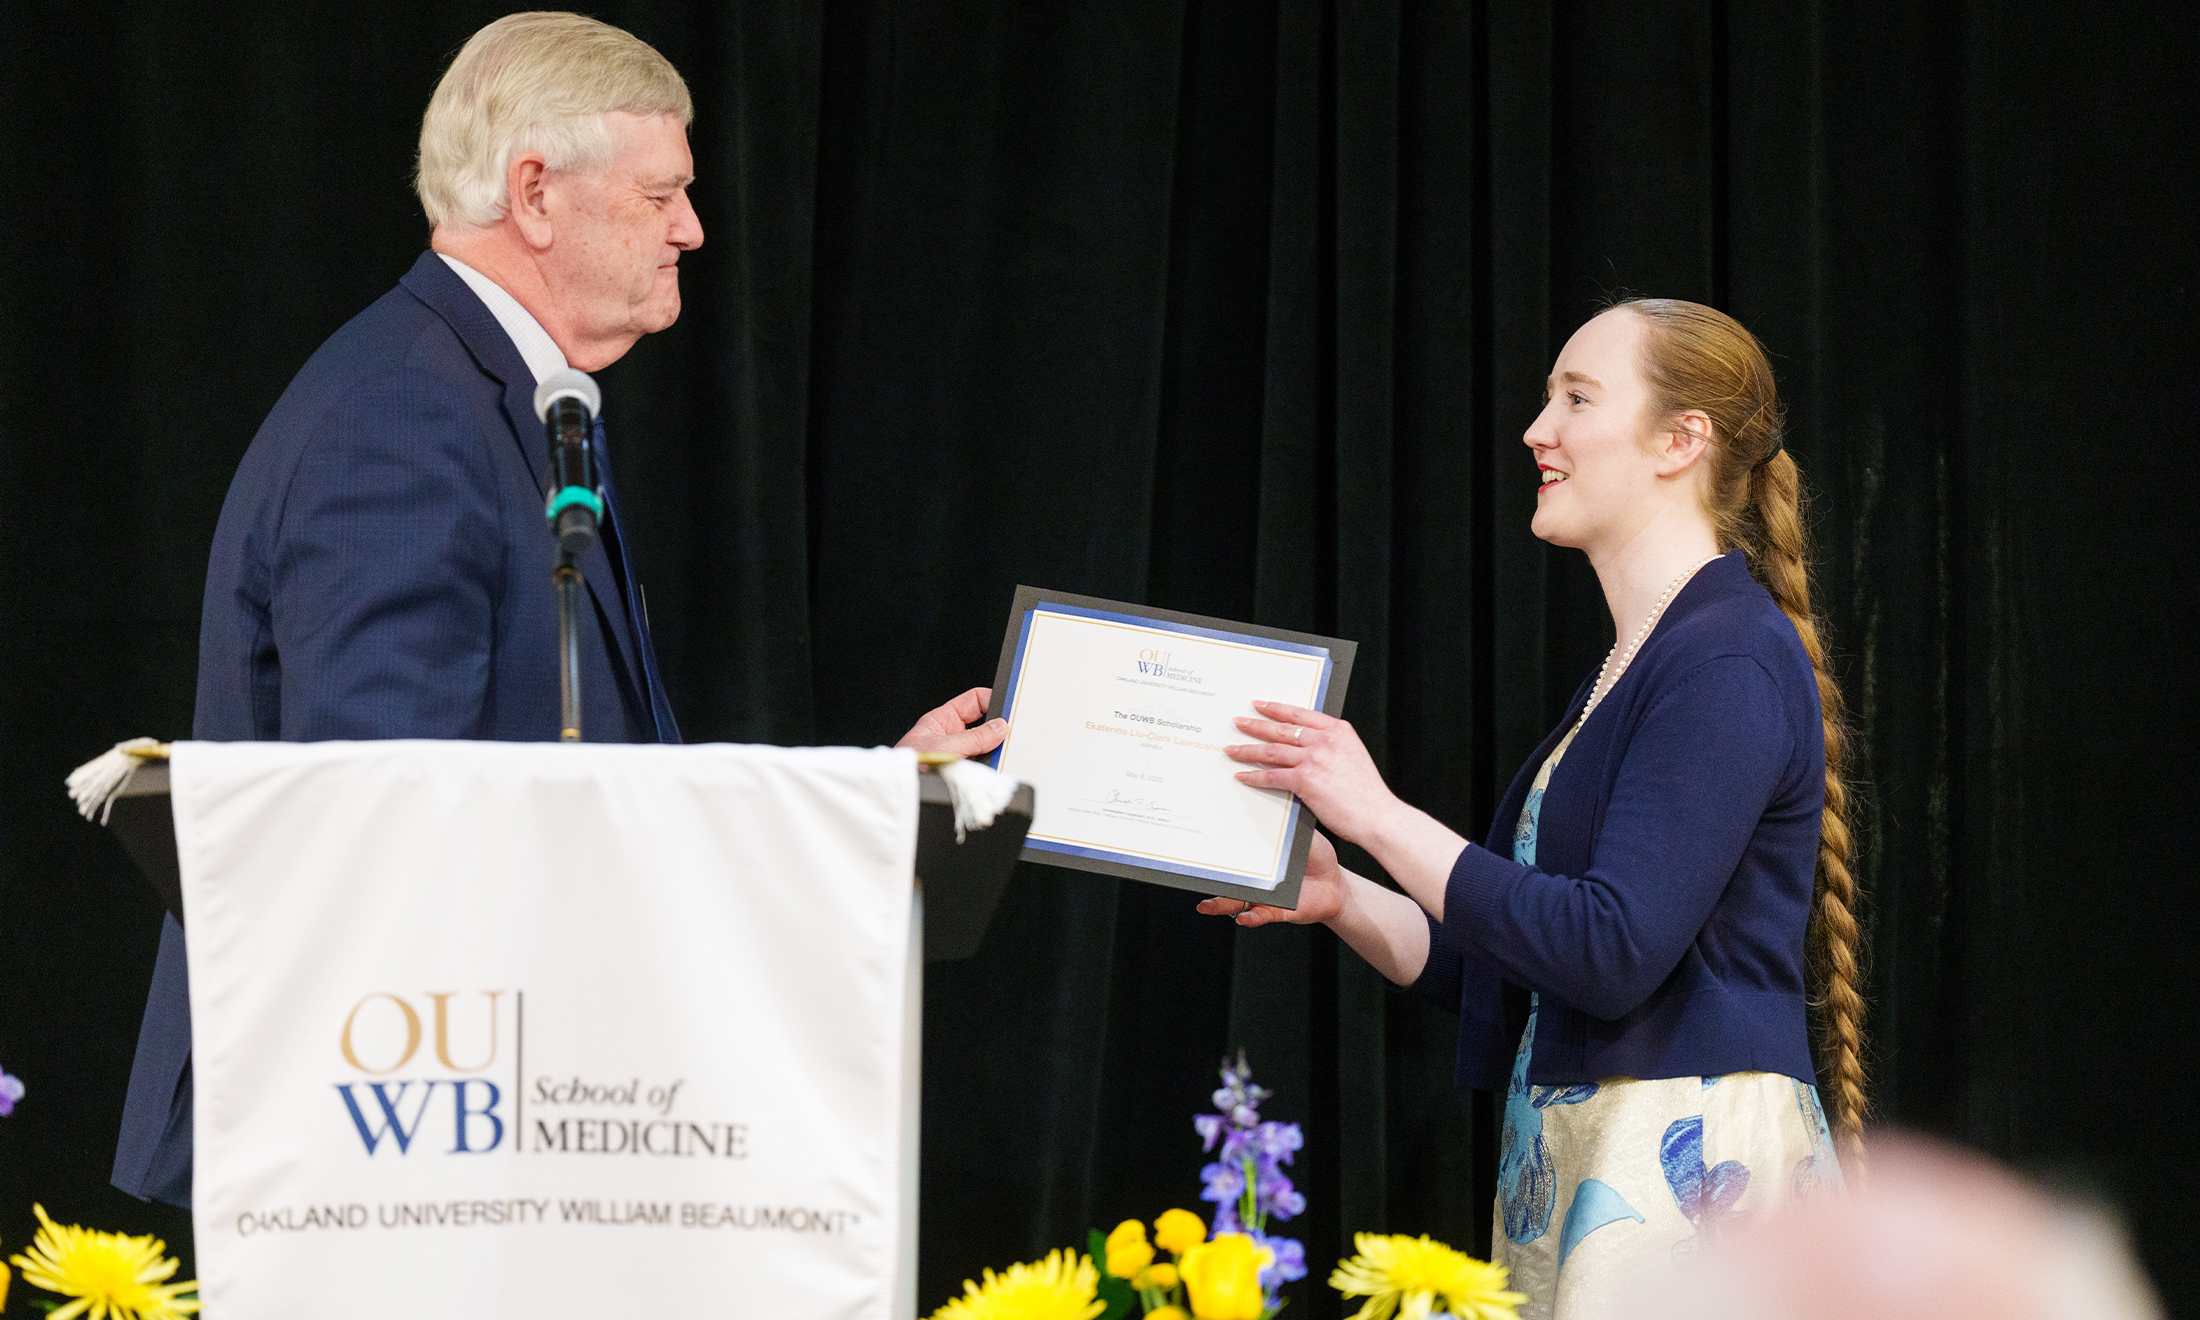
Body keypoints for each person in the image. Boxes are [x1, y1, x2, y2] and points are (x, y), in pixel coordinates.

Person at [112, 11, 1004, 1207]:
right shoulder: (403, 418)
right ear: (535, 194)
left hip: (483, 1116)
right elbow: (383, 821)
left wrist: (868, 805)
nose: (693, 228)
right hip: (394, 1144)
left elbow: (593, 783)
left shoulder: (513, 403)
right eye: (661, 195)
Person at [1199, 299, 1867, 1317]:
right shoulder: (1642, 658)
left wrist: (1375, 812)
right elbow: (1518, 966)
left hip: (1686, 1173)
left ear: (1680, 441)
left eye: (1577, 399)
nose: (1535, 430)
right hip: (1587, 1153)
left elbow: (1606, 951)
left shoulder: (1723, 657)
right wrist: (1344, 897)